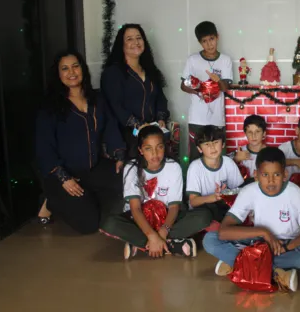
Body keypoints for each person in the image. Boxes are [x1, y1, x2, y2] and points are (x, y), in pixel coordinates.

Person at [203, 147, 300, 292]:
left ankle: (242, 264)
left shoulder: (293, 192)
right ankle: (277, 271)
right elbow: (223, 232)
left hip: (286, 244)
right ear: (256, 175)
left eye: (276, 174)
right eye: (265, 174)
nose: (271, 181)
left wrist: (285, 248)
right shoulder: (249, 191)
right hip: (258, 241)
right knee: (210, 239)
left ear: (285, 175)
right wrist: (264, 232)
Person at [35, 51, 125, 234]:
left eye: (75, 66)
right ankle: (50, 199)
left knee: (129, 180)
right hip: (63, 174)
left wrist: (119, 154)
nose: (72, 72)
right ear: (58, 74)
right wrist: (63, 178)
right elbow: (44, 147)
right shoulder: (50, 106)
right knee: (88, 225)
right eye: (65, 68)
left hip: (93, 168)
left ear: (82, 69)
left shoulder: (97, 99)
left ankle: (86, 194)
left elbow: (110, 127)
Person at [99, 125, 197, 260]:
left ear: (165, 147)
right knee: (109, 223)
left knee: (203, 216)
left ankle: (141, 243)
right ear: (140, 150)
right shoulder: (131, 168)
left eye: (159, 147)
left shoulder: (173, 167)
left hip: (166, 220)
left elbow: (174, 207)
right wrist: (152, 236)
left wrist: (162, 233)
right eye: (148, 149)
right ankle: (170, 244)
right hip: (138, 221)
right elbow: (135, 208)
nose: (155, 154)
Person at [101, 24, 170, 159]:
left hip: (152, 135)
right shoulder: (114, 72)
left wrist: (161, 118)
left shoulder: (149, 69)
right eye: (129, 39)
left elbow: (160, 98)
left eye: (139, 38)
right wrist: (138, 125)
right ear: (121, 44)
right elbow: (115, 106)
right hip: (126, 138)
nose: (135, 42)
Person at [180, 21, 233, 161]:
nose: (209, 44)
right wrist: (198, 91)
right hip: (197, 118)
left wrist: (217, 81)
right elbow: (183, 85)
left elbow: (226, 88)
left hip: (217, 119)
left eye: (212, 39)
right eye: (204, 41)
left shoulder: (225, 60)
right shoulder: (192, 60)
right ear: (200, 42)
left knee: (217, 158)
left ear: (217, 37)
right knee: (195, 157)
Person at [185, 125, 244, 233]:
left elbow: (239, 190)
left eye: (216, 142)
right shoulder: (195, 167)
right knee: (206, 214)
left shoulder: (228, 163)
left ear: (223, 144)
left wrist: (225, 193)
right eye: (207, 144)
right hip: (204, 208)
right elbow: (193, 201)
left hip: (222, 205)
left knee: (248, 189)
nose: (212, 147)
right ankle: (221, 228)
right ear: (199, 149)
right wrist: (213, 197)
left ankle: (223, 227)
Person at [232, 114, 268, 181]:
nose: (253, 135)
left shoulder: (271, 153)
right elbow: (223, 166)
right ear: (245, 133)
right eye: (250, 132)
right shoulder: (240, 151)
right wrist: (235, 159)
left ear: (264, 133)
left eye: (257, 131)